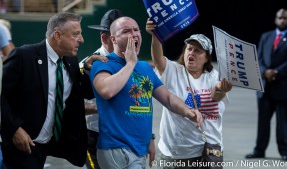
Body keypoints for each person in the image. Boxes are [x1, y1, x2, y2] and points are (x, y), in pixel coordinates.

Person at [89, 16, 202, 168]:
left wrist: (188, 111)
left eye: (136, 30)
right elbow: (106, 91)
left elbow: (168, 98)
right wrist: (130, 63)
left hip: (139, 150)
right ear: (113, 39)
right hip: (117, 149)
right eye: (126, 31)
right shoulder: (103, 63)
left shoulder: (143, 68)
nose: (134, 34)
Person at [1, 12, 90, 169]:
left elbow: (84, 93)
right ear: (57, 35)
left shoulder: (70, 60)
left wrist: (90, 71)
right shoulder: (23, 56)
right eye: (76, 34)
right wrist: (14, 129)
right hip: (22, 144)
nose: (81, 40)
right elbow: (2, 97)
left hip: (49, 145)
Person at [146, 19, 232, 168]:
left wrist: (221, 89)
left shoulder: (213, 76)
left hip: (207, 151)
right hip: (175, 153)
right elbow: (158, 59)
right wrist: (155, 36)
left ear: (206, 58)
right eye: (189, 49)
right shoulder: (174, 71)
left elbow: (215, 96)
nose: (191, 53)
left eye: (198, 51)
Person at [245, 8, 287, 161]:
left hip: (284, 87)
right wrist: (265, 72)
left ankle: (284, 152)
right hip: (265, 87)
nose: (282, 20)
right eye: (280, 17)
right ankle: (259, 150)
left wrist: (275, 72)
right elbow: (259, 58)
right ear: (275, 20)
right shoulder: (266, 36)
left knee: (283, 123)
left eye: (285, 18)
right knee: (263, 122)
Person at [80, 9, 124, 169]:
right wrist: (101, 107)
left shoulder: (132, 63)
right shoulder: (86, 66)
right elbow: (69, 105)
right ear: (106, 38)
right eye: (123, 34)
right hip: (96, 138)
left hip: (126, 136)